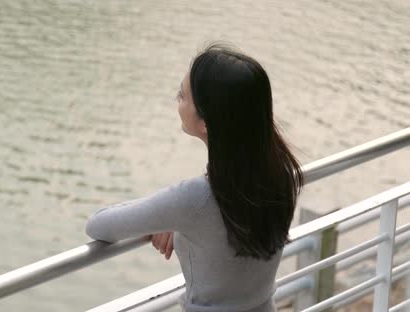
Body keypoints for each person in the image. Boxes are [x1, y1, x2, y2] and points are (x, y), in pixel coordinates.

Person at [85, 42, 304, 312]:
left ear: (206, 123)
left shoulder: (194, 199)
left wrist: (167, 216)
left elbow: (98, 225)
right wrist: (177, 221)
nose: (177, 102)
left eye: (182, 96)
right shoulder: (282, 177)